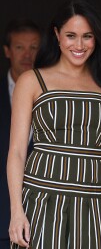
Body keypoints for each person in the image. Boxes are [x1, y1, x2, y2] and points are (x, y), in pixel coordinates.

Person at [7, 0, 101, 249]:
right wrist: (16, 211)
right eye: (71, 35)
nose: (79, 44)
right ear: (57, 35)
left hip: (94, 205)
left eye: (87, 36)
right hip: (42, 202)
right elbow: (17, 152)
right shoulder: (32, 81)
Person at [0, 18, 41, 249]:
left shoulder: (53, 96)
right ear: (7, 51)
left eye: (33, 47)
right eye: (19, 47)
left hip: (45, 219)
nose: (27, 55)